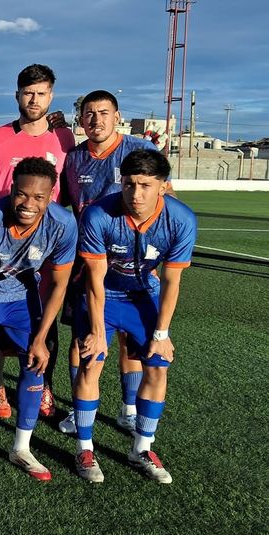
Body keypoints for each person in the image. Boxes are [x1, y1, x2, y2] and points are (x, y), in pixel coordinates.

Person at [72, 149, 196, 483]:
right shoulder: (98, 214)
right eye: (129, 184)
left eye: (145, 185)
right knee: (91, 360)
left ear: (163, 186)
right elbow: (94, 279)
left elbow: (171, 281)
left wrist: (161, 334)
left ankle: (142, 448)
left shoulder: (181, 219)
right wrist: (97, 331)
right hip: (103, 295)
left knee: (158, 366)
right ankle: (85, 449)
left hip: (145, 296)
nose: (135, 194)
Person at [0, 64, 75, 421]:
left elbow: (75, 186)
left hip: (45, 247)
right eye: (28, 93)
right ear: (17, 95)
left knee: (45, 325)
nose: (34, 100)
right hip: (0, 243)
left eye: (41, 93)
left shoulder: (65, 139)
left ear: (51, 96)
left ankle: (45, 385)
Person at [0, 157, 76, 481]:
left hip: (22, 297)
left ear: (51, 196)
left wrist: (41, 337)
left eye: (39, 197)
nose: (28, 203)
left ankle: (21, 448)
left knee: (36, 362)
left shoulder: (63, 224)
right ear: (11, 189)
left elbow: (59, 284)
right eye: (22, 194)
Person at [58, 90, 161, 436]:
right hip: (86, 259)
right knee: (82, 338)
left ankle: (129, 409)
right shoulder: (74, 158)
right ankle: (78, 409)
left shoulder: (138, 149)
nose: (96, 120)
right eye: (89, 113)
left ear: (117, 117)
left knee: (131, 339)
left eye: (103, 113)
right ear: (81, 119)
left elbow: (165, 194)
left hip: (132, 261)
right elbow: (64, 205)